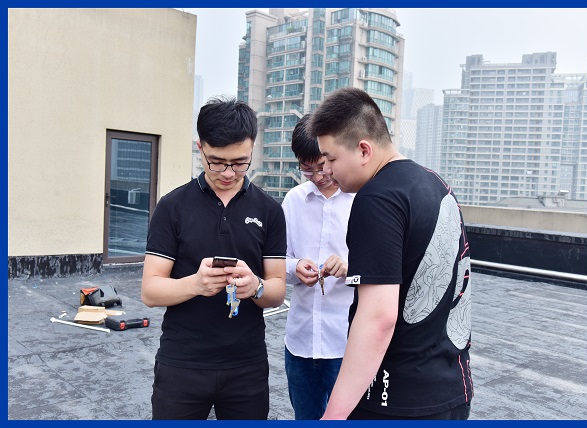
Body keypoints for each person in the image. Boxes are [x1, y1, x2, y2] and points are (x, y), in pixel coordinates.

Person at [307, 87, 473, 420]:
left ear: (364, 149)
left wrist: (333, 415)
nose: (327, 171)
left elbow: (378, 319)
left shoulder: (377, 199)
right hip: (452, 390)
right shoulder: (435, 184)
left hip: (397, 400)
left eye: (331, 159)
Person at [141, 97, 287, 420]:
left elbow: (277, 289)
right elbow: (150, 291)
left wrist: (256, 286)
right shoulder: (172, 207)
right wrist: (195, 284)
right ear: (200, 147)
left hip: (247, 365)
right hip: (182, 363)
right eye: (217, 162)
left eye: (240, 162)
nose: (228, 173)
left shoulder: (270, 211)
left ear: (252, 148)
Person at [281, 114, 355, 420]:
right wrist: (295, 267)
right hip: (300, 341)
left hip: (345, 343)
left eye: (321, 166)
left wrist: (349, 267)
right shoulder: (293, 201)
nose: (316, 176)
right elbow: (275, 260)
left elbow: (381, 270)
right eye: (306, 169)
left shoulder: (361, 200)